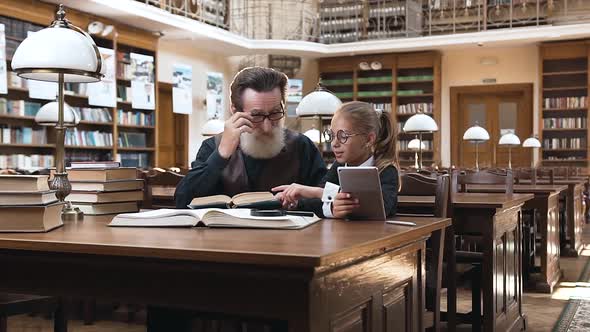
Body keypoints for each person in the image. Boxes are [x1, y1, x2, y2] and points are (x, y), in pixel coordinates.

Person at [174, 66, 327, 208]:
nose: (267, 127)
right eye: (256, 115)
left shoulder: (302, 145)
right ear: (235, 110)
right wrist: (221, 155)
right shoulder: (213, 146)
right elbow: (182, 201)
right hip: (227, 236)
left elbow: (329, 200)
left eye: (275, 113)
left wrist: (298, 203)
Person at [273, 101, 399, 218]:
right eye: (332, 136)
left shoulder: (386, 170)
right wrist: (294, 203)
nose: (334, 143)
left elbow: (381, 206)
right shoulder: (339, 166)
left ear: (368, 139)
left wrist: (316, 192)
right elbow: (318, 202)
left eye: (343, 136)